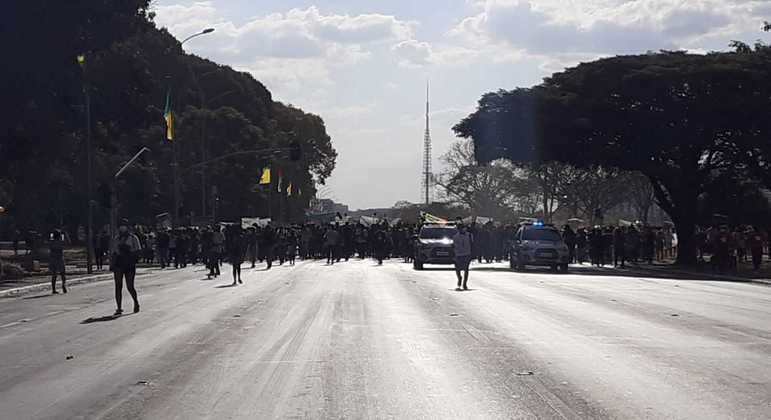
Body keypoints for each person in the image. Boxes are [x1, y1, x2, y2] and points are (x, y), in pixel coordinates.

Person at [111, 220, 142, 315]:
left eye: (123, 226)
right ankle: (119, 308)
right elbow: (113, 252)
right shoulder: (116, 239)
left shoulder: (133, 238)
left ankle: (136, 302)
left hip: (129, 265)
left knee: (130, 286)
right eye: (120, 226)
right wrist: (112, 263)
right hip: (119, 264)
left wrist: (129, 252)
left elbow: (138, 251)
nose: (122, 228)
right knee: (118, 286)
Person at [453, 224, 473, 291]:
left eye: (464, 228)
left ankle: (464, 283)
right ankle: (459, 278)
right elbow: (454, 246)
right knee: (458, 269)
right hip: (458, 254)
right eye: (462, 228)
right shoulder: (455, 237)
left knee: (466, 269)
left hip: (467, 254)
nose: (464, 229)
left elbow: (472, 244)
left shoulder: (469, 235)